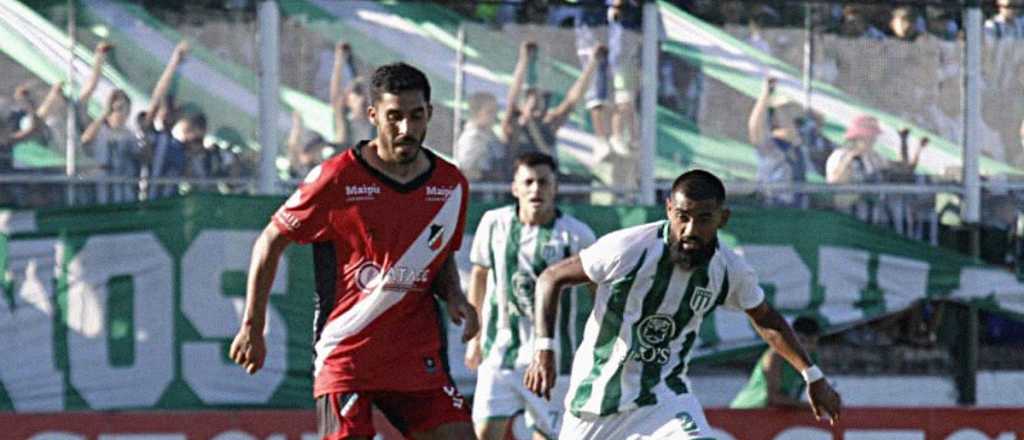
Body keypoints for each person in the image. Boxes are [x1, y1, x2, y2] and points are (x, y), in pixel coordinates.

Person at [229, 62, 479, 440]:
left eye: (416, 116)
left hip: (415, 353)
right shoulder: (337, 178)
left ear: (430, 113)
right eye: (394, 117)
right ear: (373, 115)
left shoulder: (450, 185)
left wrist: (455, 295)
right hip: (348, 352)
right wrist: (252, 326)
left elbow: (437, 254)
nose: (406, 129)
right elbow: (270, 241)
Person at [523, 169, 842, 439]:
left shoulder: (730, 270)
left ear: (722, 218)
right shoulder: (629, 248)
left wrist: (811, 375)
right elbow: (551, 277)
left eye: (704, 219)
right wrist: (544, 347)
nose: (691, 230)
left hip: (662, 398)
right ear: (668, 211)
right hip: (594, 402)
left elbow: (767, 319)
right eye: (683, 217)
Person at [464, 152, 597, 440]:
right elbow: (479, 276)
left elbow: (599, 292)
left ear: (555, 187)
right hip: (500, 356)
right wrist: (475, 339)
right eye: (529, 182)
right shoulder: (493, 223)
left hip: (555, 362)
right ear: (515, 188)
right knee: (484, 434)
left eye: (543, 182)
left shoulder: (577, 236)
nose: (536, 189)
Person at [501, 41, 604, 164]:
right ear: (524, 105)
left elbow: (572, 99)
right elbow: (513, 96)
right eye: (533, 104)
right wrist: (524, 60)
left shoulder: (547, 126)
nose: (537, 108)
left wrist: (593, 63)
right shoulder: (514, 125)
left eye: (540, 104)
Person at [80, 42, 144, 204]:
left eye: (125, 109)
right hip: (100, 189)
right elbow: (86, 139)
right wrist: (105, 113)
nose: (121, 114)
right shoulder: (100, 128)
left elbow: (139, 157)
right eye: (118, 109)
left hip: (123, 190)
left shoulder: (129, 134)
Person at [730, 316, 822, 409]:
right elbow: (774, 397)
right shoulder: (776, 356)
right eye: (801, 341)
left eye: (811, 342)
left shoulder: (813, 359)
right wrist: (809, 407)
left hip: (780, 412)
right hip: (750, 409)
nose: (806, 347)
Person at [748, 77, 810, 208]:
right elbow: (755, 128)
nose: (789, 120)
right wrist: (765, 95)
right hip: (774, 208)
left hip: (797, 211)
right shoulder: (771, 146)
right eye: (784, 114)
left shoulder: (799, 146)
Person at [454, 91, 507, 183]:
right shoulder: (471, 138)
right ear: (478, 113)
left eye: (496, 111)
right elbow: (466, 171)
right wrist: (488, 175)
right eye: (490, 112)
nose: (495, 115)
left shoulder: (491, 135)